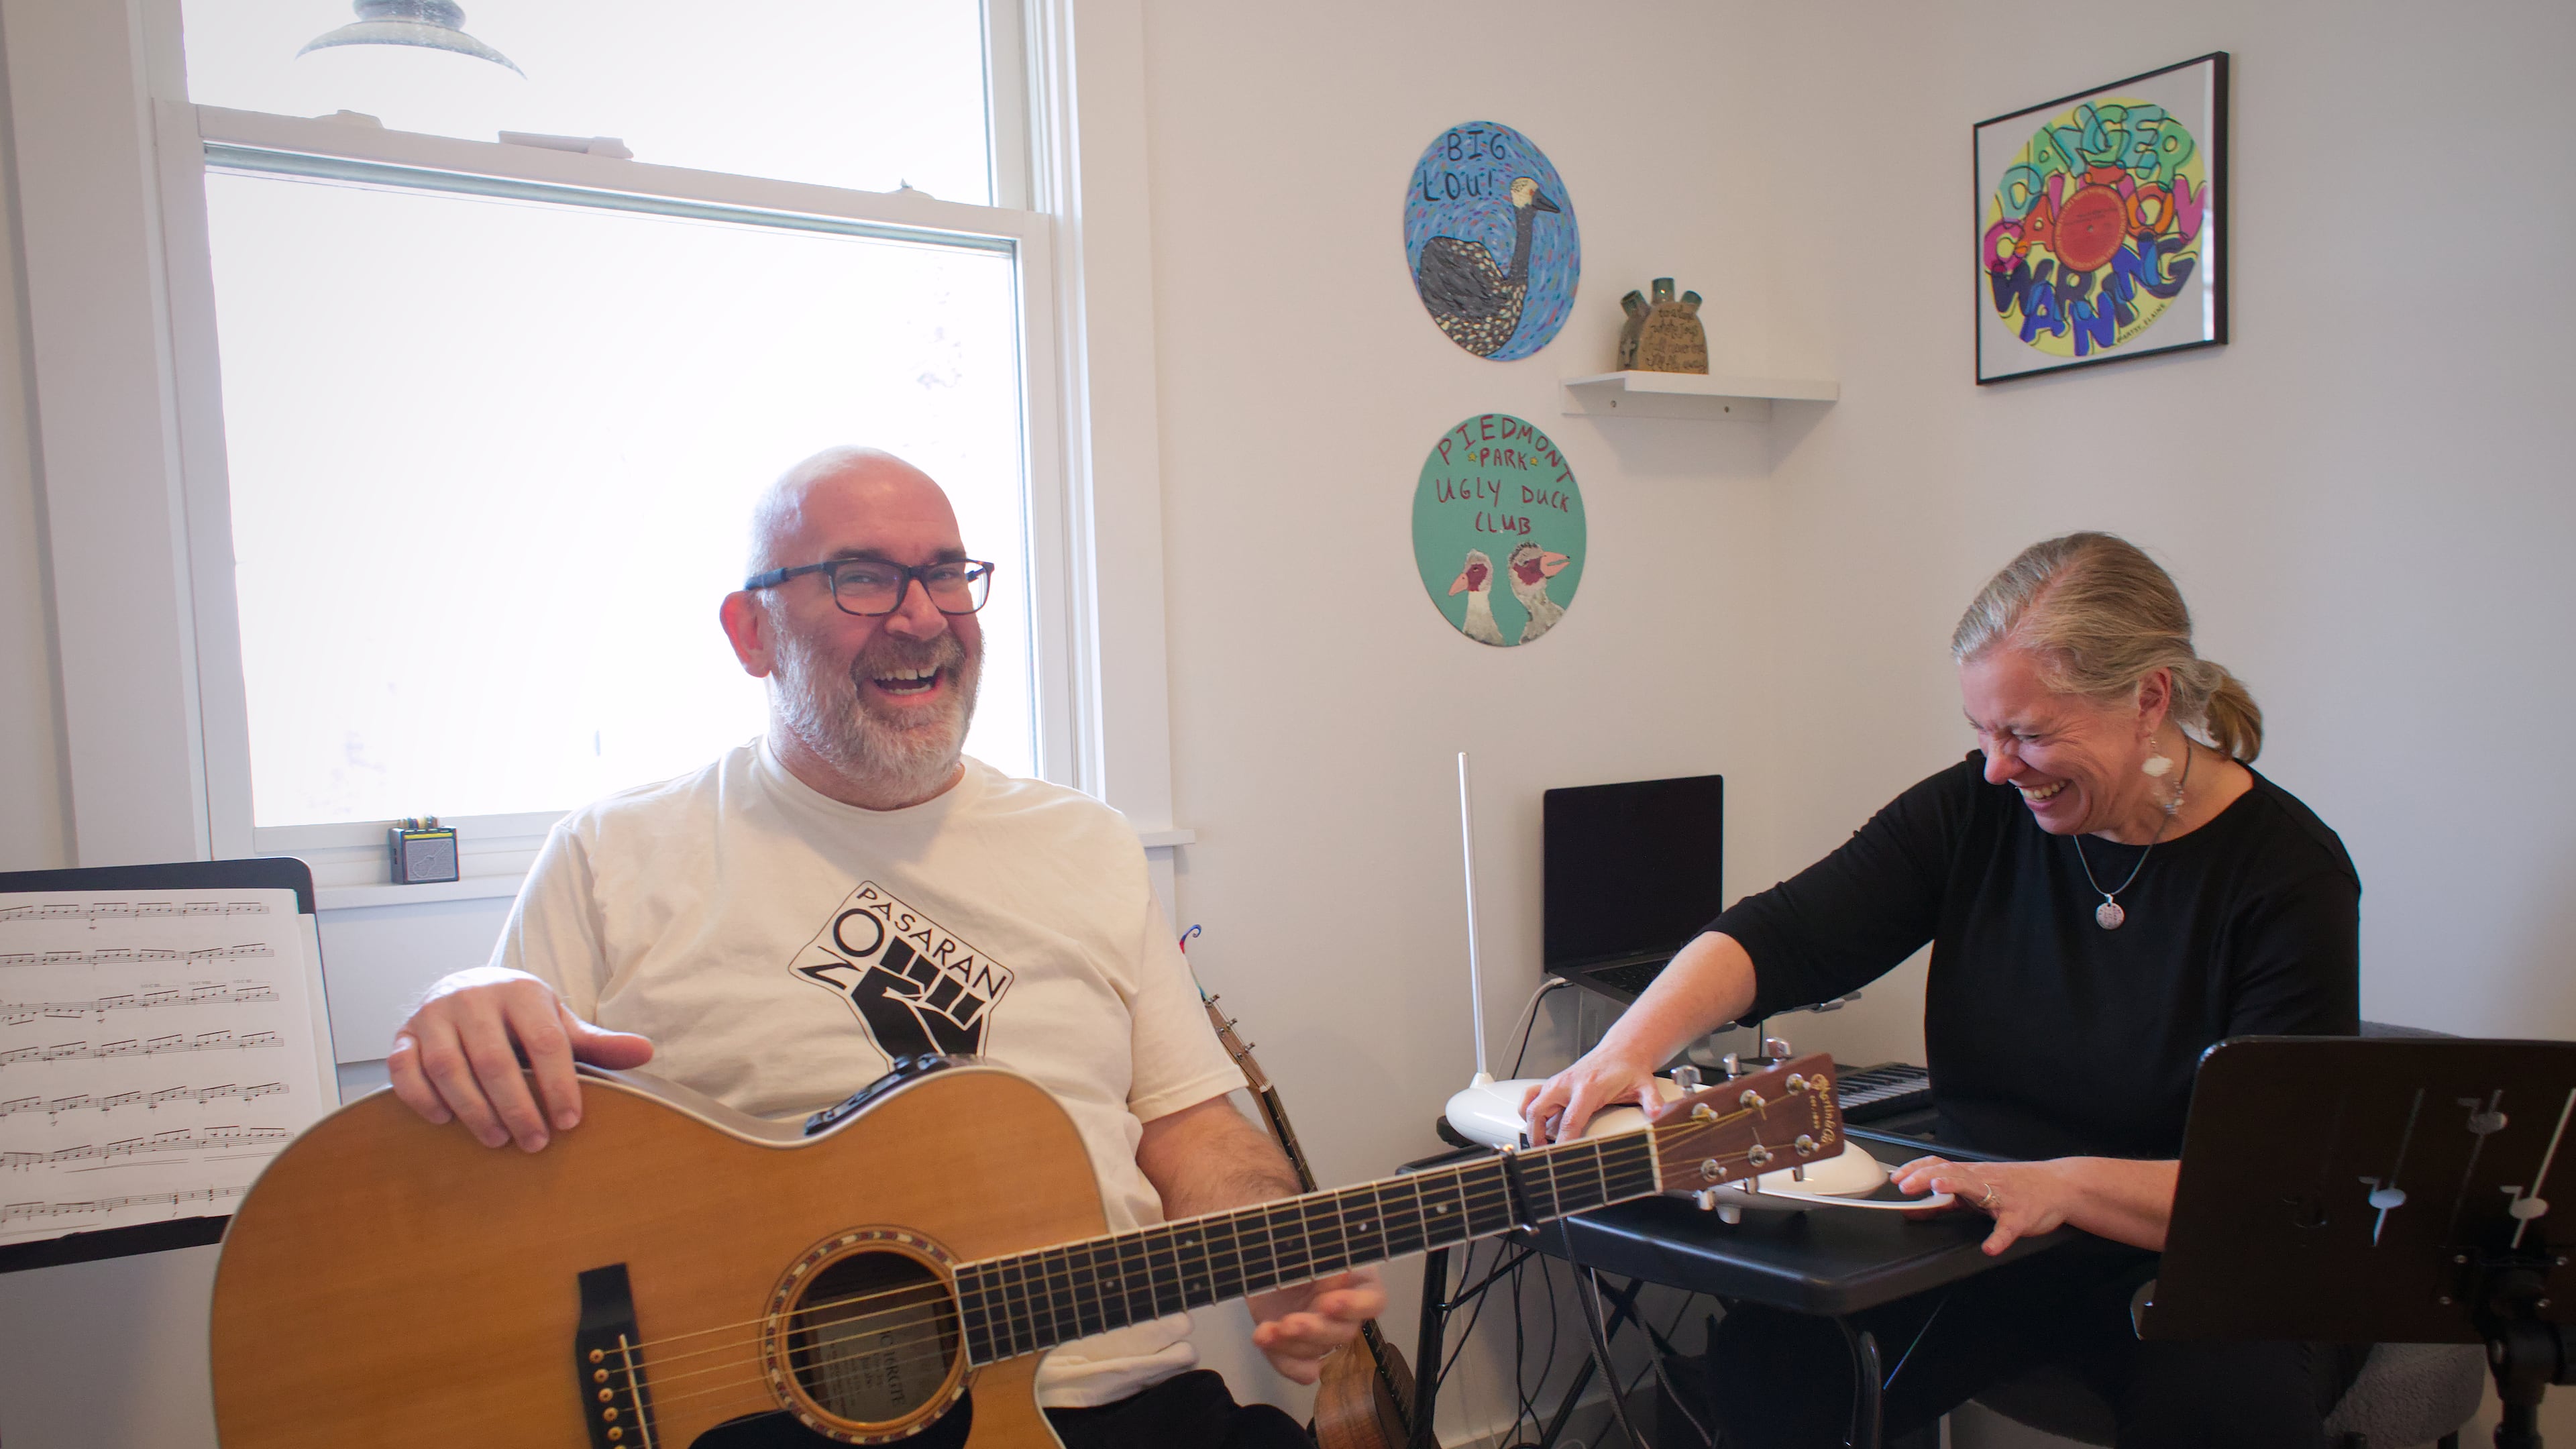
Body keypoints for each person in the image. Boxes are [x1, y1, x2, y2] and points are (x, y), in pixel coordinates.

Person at [386, 446, 1381, 1449]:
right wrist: (472, 996)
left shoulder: (1090, 845)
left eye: (947, 574)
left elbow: (1191, 1132)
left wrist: (1277, 1257)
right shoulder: (612, 856)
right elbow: (496, 1166)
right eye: (862, 577)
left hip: (1118, 1405)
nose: (921, 615)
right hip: (773, 1417)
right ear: (751, 631)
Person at [1521, 533, 2362, 1448]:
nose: (2001, 766)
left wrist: (2063, 1186)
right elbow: (1782, 934)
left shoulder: (2286, 877)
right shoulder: (1982, 811)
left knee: (2221, 1412)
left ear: (2148, 699)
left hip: (2196, 1256)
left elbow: (2268, 1194)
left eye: (2031, 734)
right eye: (1984, 733)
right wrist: (1626, 1051)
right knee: (1772, 1372)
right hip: (1989, 1237)